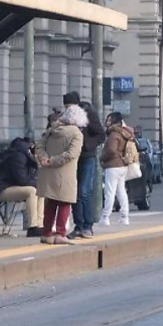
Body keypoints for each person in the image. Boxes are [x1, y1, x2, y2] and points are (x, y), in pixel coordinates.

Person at [36, 105, 87, 245]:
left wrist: (45, 158)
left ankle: (46, 233)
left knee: (51, 202)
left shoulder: (52, 130)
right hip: (66, 172)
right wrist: (53, 161)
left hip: (48, 172)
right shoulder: (76, 133)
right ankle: (60, 234)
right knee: (65, 202)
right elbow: (72, 154)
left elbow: (38, 146)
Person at [63, 92, 105, 240]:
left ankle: (88, 225)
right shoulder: (65, 118)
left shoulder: (88, 115)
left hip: (87, 157)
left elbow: (101, 135)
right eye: (66, 107)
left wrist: (87, 145)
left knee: (84, 191)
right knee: (74, 193)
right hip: (72, 159)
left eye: (70, 106)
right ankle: (78, 225)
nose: (68, 109)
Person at [0, 137, 43, 237]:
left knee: (41, 190)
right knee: (32, 191)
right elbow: (22, 180)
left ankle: (40, 225)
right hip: (0, 189)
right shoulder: (18, 156)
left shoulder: (24, 155)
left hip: (9, 186)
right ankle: (33, 227)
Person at [99, 112, 136, 227]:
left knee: (109, 192)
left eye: (109, 120)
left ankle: (105, 217)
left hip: (113, 165)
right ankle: (124, 216)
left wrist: (102, 158)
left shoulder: (114, 134)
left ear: (114, 122)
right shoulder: (124, 133)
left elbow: (111, 150)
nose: (107, 122)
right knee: (121, 191)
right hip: (123, 165)